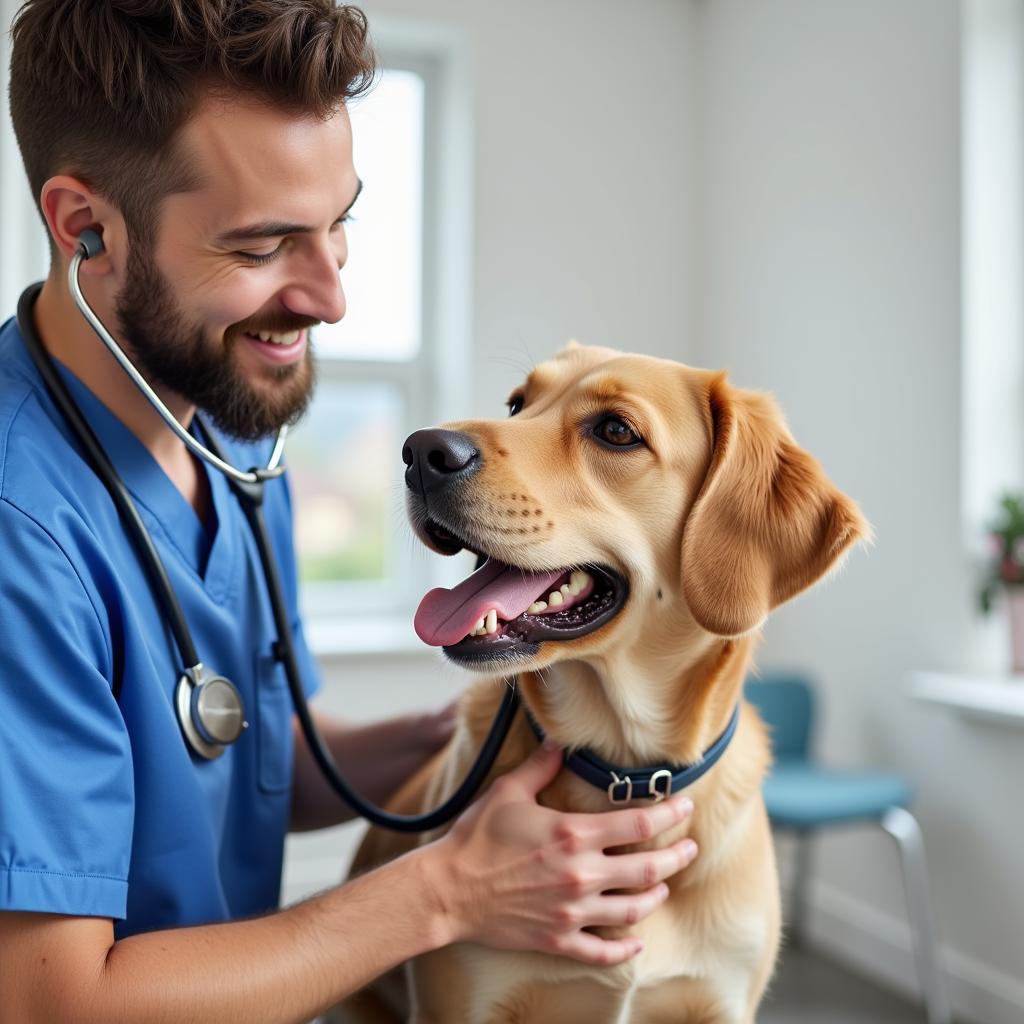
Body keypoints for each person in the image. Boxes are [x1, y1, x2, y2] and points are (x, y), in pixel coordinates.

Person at [0, 3, 699, 1021]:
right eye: (264, 245)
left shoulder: (229, 430)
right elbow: (51, 1003)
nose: (329, 296)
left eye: (340, 225)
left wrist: (463, 737)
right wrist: (450, 887)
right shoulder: (23, 531)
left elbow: (242, 758)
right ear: (85, 226)